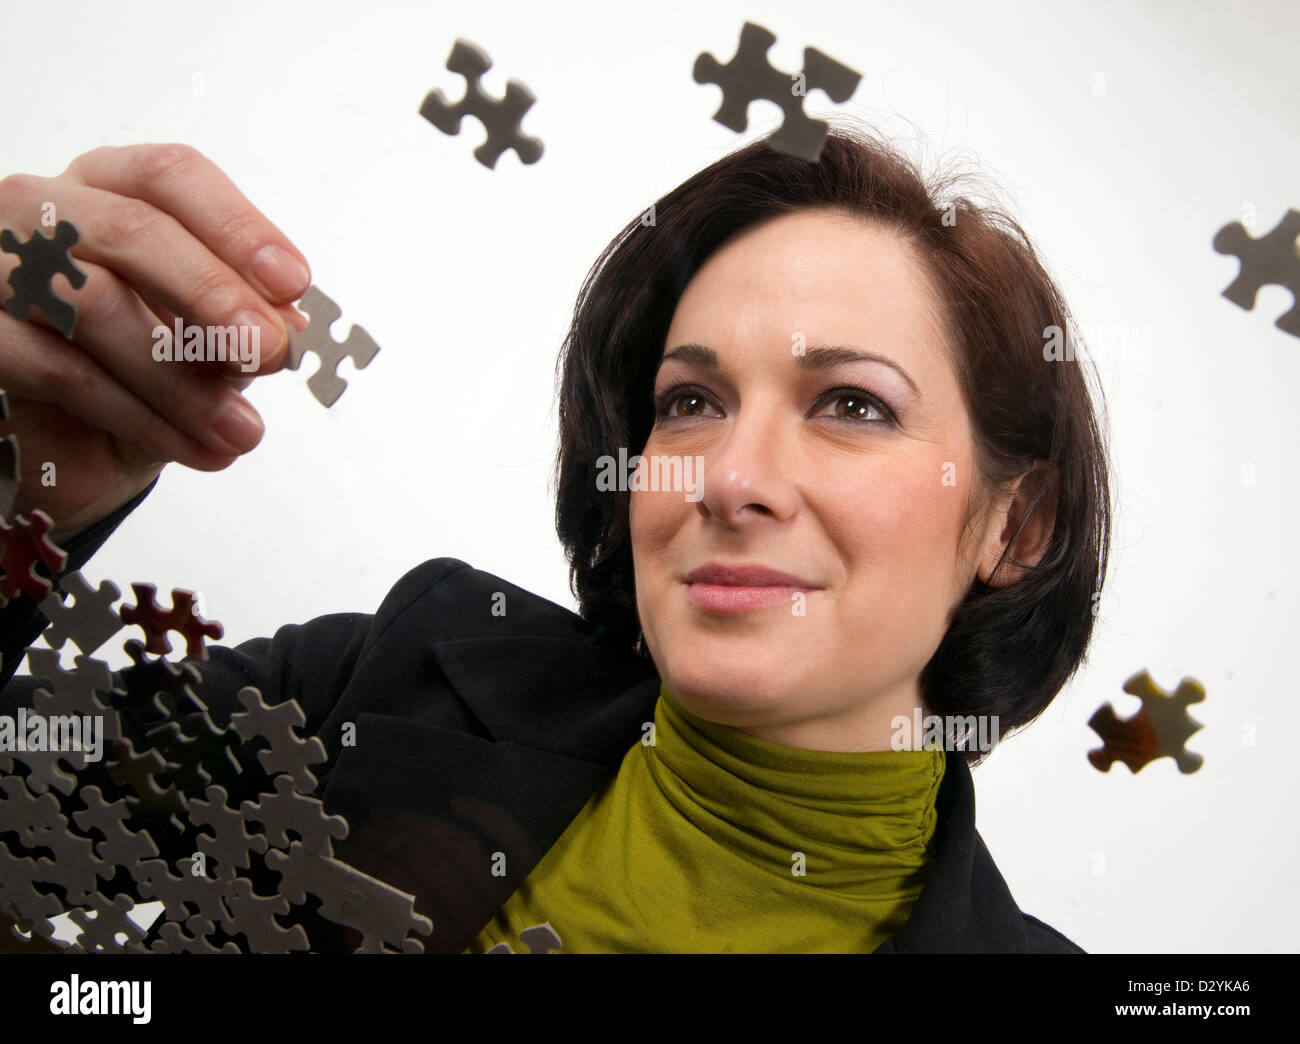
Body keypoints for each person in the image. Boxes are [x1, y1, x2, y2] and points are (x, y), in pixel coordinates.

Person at [0, 120, 1110, 954]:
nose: (729, 477)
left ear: (1015, 525)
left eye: (852, 405)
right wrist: (27, 494)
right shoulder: (388, 675)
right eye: (689, 403)